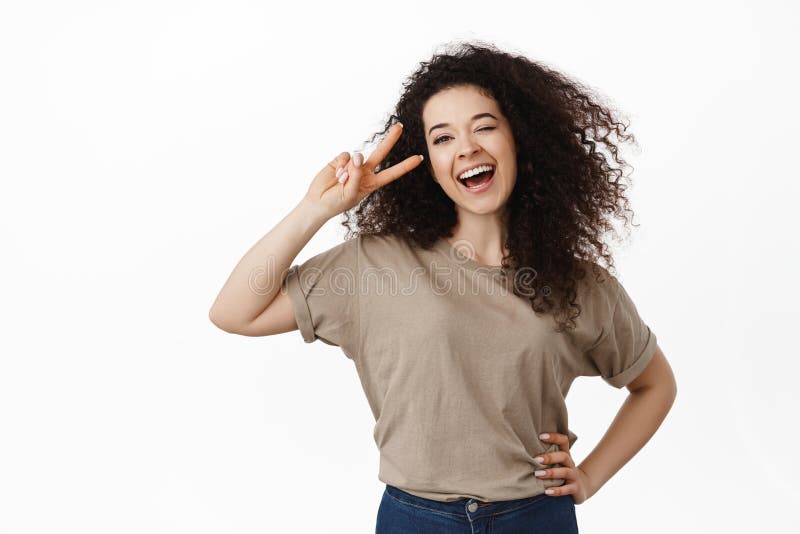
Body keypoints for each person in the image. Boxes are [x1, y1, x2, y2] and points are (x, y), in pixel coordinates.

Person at [209, 41, 677, 533]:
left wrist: (590, 476)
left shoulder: (579, 283)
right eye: (443, 138)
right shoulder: (375, 264)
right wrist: (316, 210)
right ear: (427, 162)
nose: (467, 148)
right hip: (415, 518)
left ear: (521, 137)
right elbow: (234, 312)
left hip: (536, 516)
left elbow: (654, 385)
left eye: (485, 127)